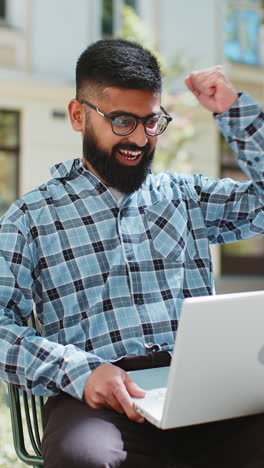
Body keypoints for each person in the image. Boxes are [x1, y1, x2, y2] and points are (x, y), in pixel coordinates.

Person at [0, 38, 264, 468]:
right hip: (96, 404)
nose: (140, 138)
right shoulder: (30, 218)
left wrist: (233, 111)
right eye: (123, 121)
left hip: (203, 393)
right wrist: (79, 371)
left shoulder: (186, 196)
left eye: (152, 121)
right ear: (78, 115)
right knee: (81, 458)